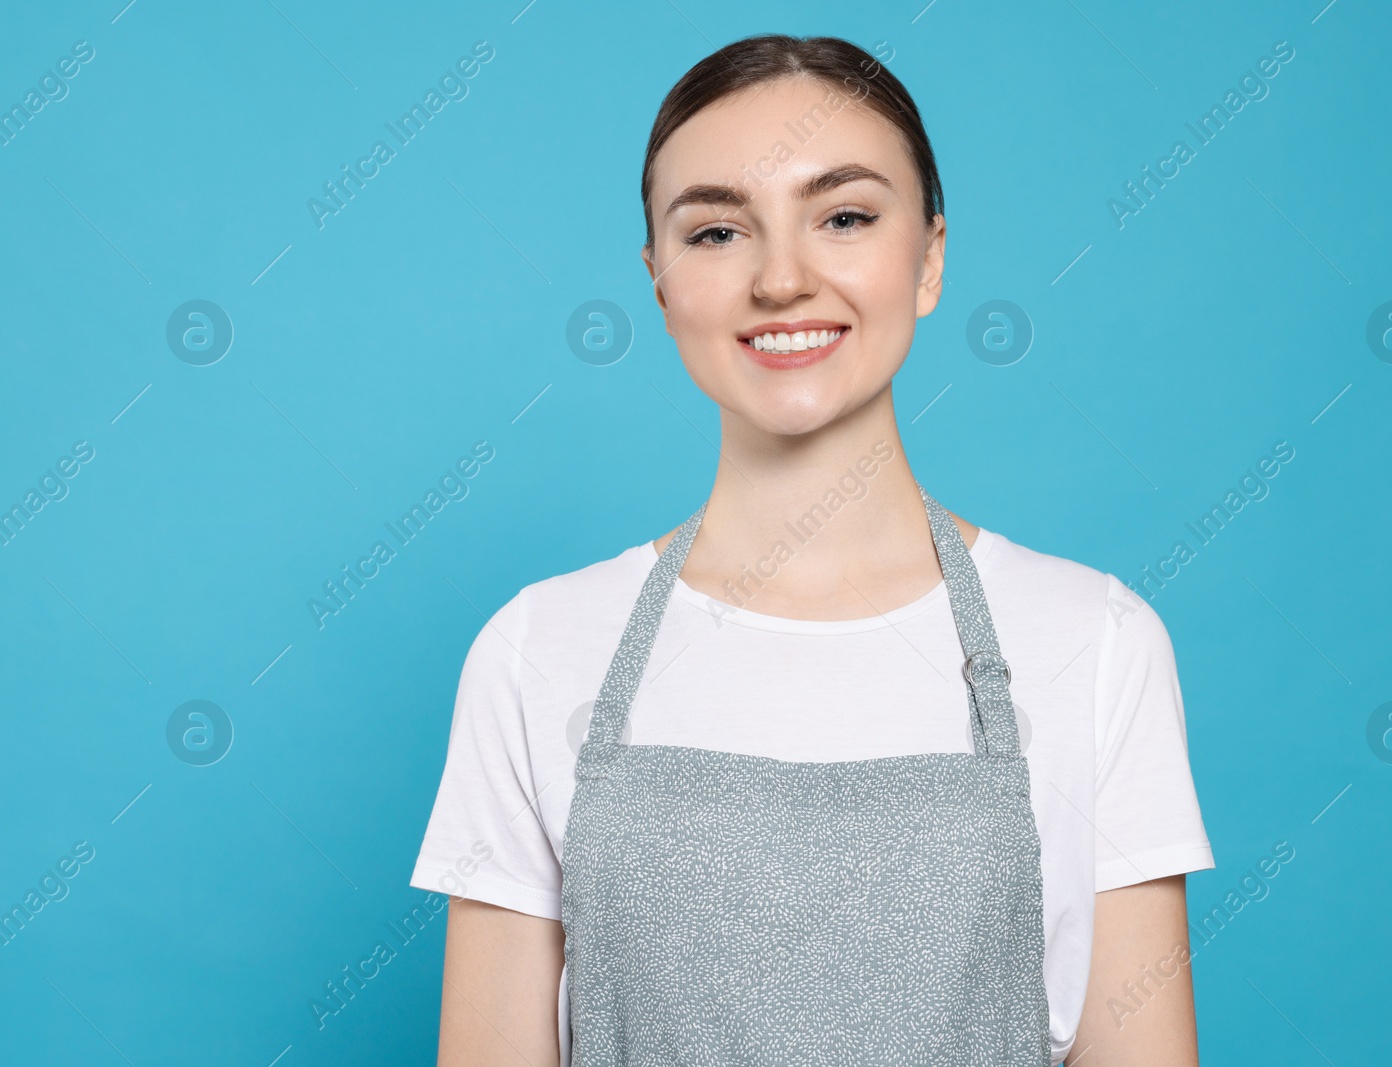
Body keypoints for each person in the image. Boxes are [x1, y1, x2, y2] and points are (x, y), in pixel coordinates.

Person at [410, 33, 1213, 1067]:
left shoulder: (1093, 640)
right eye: (715, 233)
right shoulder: (535, 649)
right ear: (658, 282)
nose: (781, 279)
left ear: (928, 258)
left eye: (843, 216)